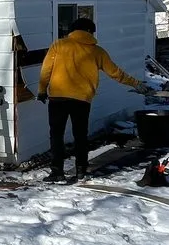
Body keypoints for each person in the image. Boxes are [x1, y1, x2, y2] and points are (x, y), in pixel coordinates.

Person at [37, 17, 149, 183]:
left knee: (56, 135)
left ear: (73, 31)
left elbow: (46, 70)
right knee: (80, 135)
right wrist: (136, 83)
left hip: (58, 98)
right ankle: (81, 170)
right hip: (81, 100)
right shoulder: (97, 51)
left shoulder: (59, 45)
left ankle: (57, 171)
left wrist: (41, 90)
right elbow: (116, 73)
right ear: (89, 32)